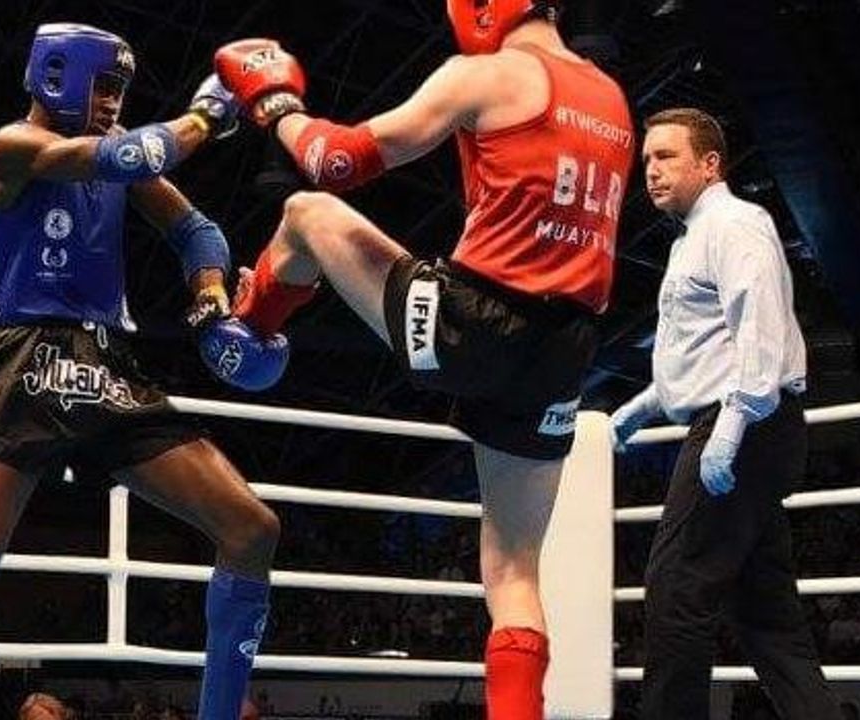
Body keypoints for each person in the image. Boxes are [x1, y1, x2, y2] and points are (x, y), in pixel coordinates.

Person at [209, 2, 634, 718]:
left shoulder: (488, 74)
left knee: (307, 214)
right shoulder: (612, 98)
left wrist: (275, 104)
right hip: (564, 352)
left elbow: (336, 159)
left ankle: (245, 334)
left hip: (469, 324)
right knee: (514, 573)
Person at [0, 23, 281, 720]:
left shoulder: (119, 154)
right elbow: (122, 157)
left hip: (107, 368)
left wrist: (211, 298)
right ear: (56, 75)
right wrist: (206, 114)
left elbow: (197, 232)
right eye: (103, 86)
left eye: (120, 90)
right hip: (23, 361)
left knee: (252, 529)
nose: (112, 102)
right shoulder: (12, 146)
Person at [609, 107, 838, 719]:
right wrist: (642, 407)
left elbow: (760, 328)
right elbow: (705, 350)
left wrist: (734, 425)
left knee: (677, 588)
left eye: (666, 156)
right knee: (767, 615)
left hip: (746, 423)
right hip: (746, 421)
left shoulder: (735, 223)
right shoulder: (691, 240)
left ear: (710, 164)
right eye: (647, 159)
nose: (650, 171)